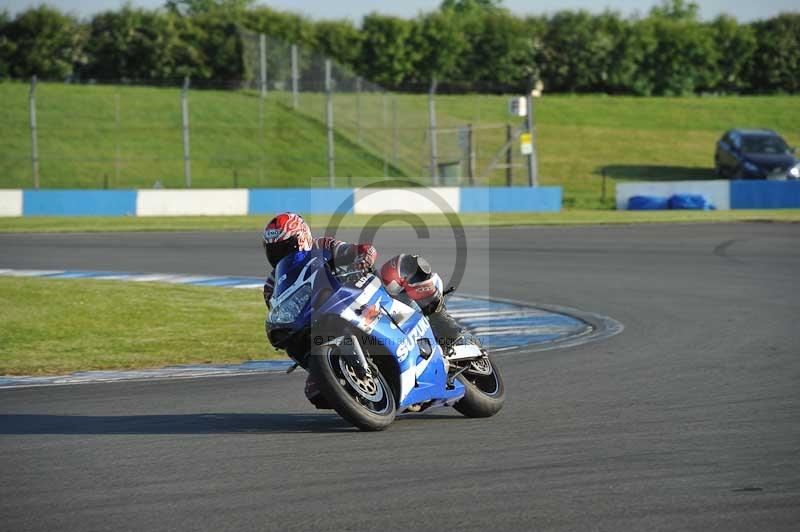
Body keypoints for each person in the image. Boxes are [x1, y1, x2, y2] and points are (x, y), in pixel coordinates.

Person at [261, 212, 467, 407]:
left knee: (401, 266)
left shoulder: (321, 246)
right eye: (274, 250)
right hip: (321, 319)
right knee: (316, 390)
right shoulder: (273, 283)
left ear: (302, 238)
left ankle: (441, 320)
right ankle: (350, 378)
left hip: (360, 294)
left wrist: (362, 257)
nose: (280, 254)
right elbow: (278, 307)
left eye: (285, 247)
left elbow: (357, 250)